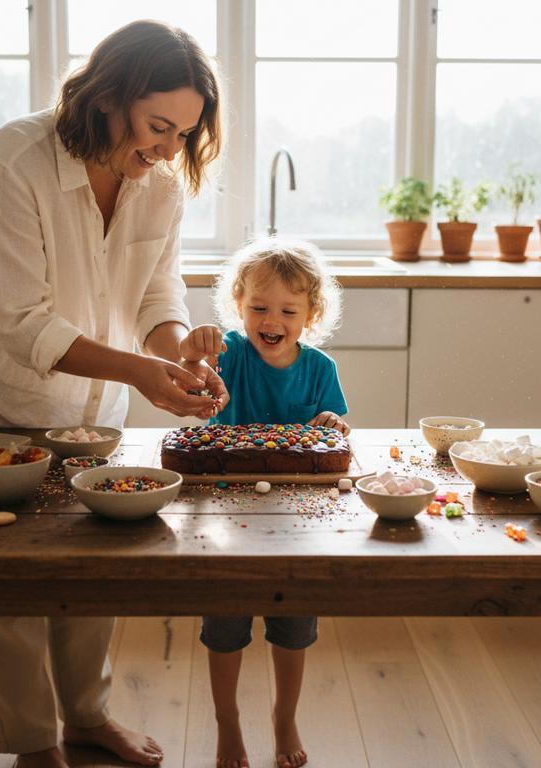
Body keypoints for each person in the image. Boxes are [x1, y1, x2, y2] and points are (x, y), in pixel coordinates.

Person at [0, 20, 227, 768]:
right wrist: (143, 375)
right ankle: (33, 746)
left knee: (94, 561)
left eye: (184, 132)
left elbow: (156, 292)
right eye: (157, 126)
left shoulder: (161, 185)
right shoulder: (12, 162)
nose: (169, 149)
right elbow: (20, 325)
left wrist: (177, 354)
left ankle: (85, 717)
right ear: (108, 96)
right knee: (9, 580)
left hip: (92, 405)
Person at [179, 238, 349, 768]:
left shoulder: (319, 369)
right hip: (228, 514)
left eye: (287, 310)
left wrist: (331, 424)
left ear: (310, 316)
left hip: (300, 517)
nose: (270, 320)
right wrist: (193, 346)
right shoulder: (226, 353)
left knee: (294, 626)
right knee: (225, 625)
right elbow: (188, 367)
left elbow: (337, 428)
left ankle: (284, 717)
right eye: (258, 307)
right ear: (238, 306)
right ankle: (227, 720)